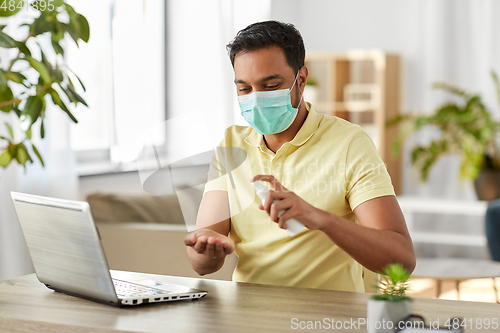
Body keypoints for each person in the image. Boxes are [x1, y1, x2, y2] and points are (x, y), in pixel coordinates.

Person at [184, 20, 415, 292]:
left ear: (301, 80)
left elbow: (401, 260)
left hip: (325, 317)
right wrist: (207, 251)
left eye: (270, 86)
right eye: (244, 89)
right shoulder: (232, 144)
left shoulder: (349, 143)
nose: (256, 99)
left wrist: (321, 219)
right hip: (249, 315)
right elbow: (201, 261)